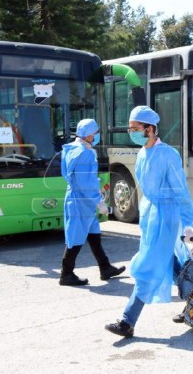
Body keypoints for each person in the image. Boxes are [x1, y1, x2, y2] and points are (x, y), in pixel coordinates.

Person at [105, 106, 193, 339]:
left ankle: (127, 321)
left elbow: (180, 189)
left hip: (166, 217)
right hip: (150, 217)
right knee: (174, 265)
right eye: (130, 128)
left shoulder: (168, 154)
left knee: (148, 267)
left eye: (135, 128)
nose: (131, 132)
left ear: (150, 129)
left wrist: (187, 221)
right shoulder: (142, 154)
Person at [59, 119, 125, 286]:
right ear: (88, 135)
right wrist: (99, 202)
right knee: (75, 237)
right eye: (95, 133)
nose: (97, 136)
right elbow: (84, 183)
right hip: (81, 200)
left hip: (79, 199)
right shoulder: (84, 153)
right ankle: (66, 274)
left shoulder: (72, 148)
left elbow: (80, 179)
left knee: (93, 233)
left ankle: (105, 267)